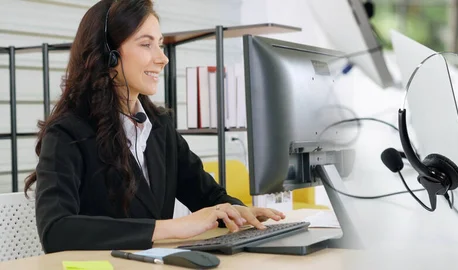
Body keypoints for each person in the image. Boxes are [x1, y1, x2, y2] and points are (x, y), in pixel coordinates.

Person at [23, 0, 285, 254]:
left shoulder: (159, 127)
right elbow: (56, 230)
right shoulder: (67, 133)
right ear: (108, 54)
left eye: (159, 45)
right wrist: (172, 228)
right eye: (146, 44)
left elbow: (206, 194)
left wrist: (240, 213)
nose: (163, 58)